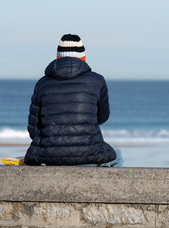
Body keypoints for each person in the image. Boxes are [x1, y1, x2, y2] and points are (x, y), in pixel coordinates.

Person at [24, 34, 122, 167]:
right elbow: (102, 118)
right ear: (83, 57)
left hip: (49, 156)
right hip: (89, 152)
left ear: (58, 57)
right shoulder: (97, 81)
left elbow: (33, 128)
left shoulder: (42, 83)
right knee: (117, 155)